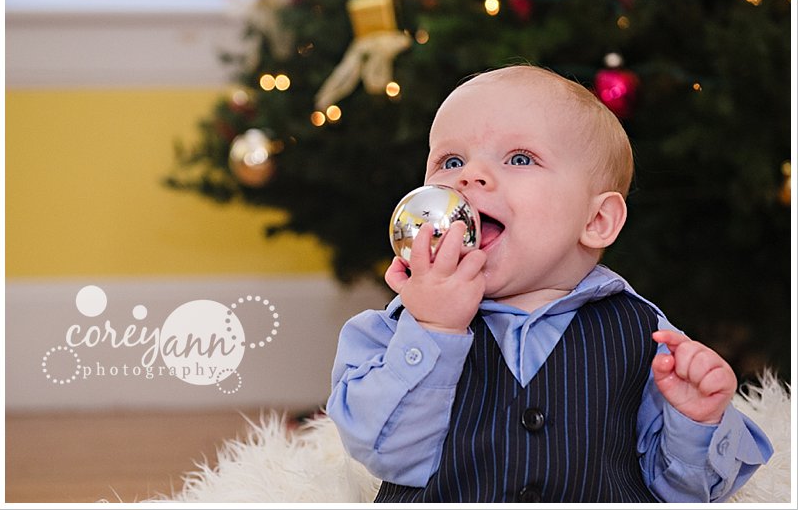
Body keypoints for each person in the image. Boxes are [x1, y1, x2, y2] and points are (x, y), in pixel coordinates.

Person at [326, 65, 773, 503]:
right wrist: (433, 330)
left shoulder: (644, 332)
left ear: (596, 220)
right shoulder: (398, 326)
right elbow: (383, 452)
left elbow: (681, 490)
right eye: (451, 160)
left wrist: (695, 421)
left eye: (520, 158)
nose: (468, 177)